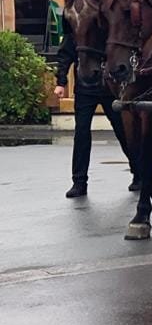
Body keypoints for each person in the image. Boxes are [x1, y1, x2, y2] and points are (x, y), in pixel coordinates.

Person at [53, 15, 138, 199]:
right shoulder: (77, 27)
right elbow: (66, 53)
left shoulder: (108, 24)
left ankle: (137, 172)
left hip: (109, 87)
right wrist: (61, 81)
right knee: (81, 133)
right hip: (85, 88)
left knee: (122, 130)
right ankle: (79, 182)